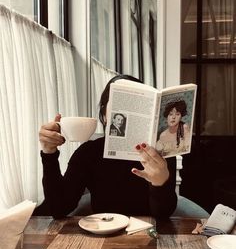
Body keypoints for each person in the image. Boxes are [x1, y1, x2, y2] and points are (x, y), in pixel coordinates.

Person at [36, 74, 177, 219]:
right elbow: (58, 208)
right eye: (119, 101)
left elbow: (164, 214)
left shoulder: (160, 152)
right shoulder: (89, 153)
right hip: (103, 236)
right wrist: (49, 153)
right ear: (104, 115)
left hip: (149, 235)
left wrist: (160, 183)